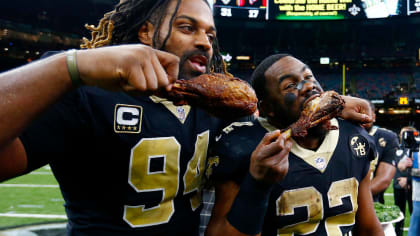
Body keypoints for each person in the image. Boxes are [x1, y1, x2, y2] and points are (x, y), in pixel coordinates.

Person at [0, 0, 375, 235]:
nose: (205, 42)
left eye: (210, 33)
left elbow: (278, 109)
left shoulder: (214, 108)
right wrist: (71, 66)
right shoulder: (90, 96)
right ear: (145, 31)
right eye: (187, 27)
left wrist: (335, 104)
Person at [204, 54, 384, 236]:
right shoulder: (242, 145)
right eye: (290, 85)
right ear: (267, 109)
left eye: (309, 77)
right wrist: (257, 184)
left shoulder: (352, 136)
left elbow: (369, 227)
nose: (308, 86)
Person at [365, 101, 397, 203]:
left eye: (365, 114)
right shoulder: (339, 134)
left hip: (371, 202)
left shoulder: (387, 137)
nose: (361, 118)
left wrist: (354, 196)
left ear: (373, 117)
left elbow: (384, 180)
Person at [397, 127, 420, 236]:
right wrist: (405, 164)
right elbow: (400, 165)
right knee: (414, 226)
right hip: (417, 196)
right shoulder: (415, 150)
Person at [393, 126, 415, 236]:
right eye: (403, 134)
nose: (404, 136)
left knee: (414, 213)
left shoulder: (417, 149)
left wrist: (408, 180)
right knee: (399, 215)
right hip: (398, 185)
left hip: (413, 186)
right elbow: (397, 165)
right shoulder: (396, 148)